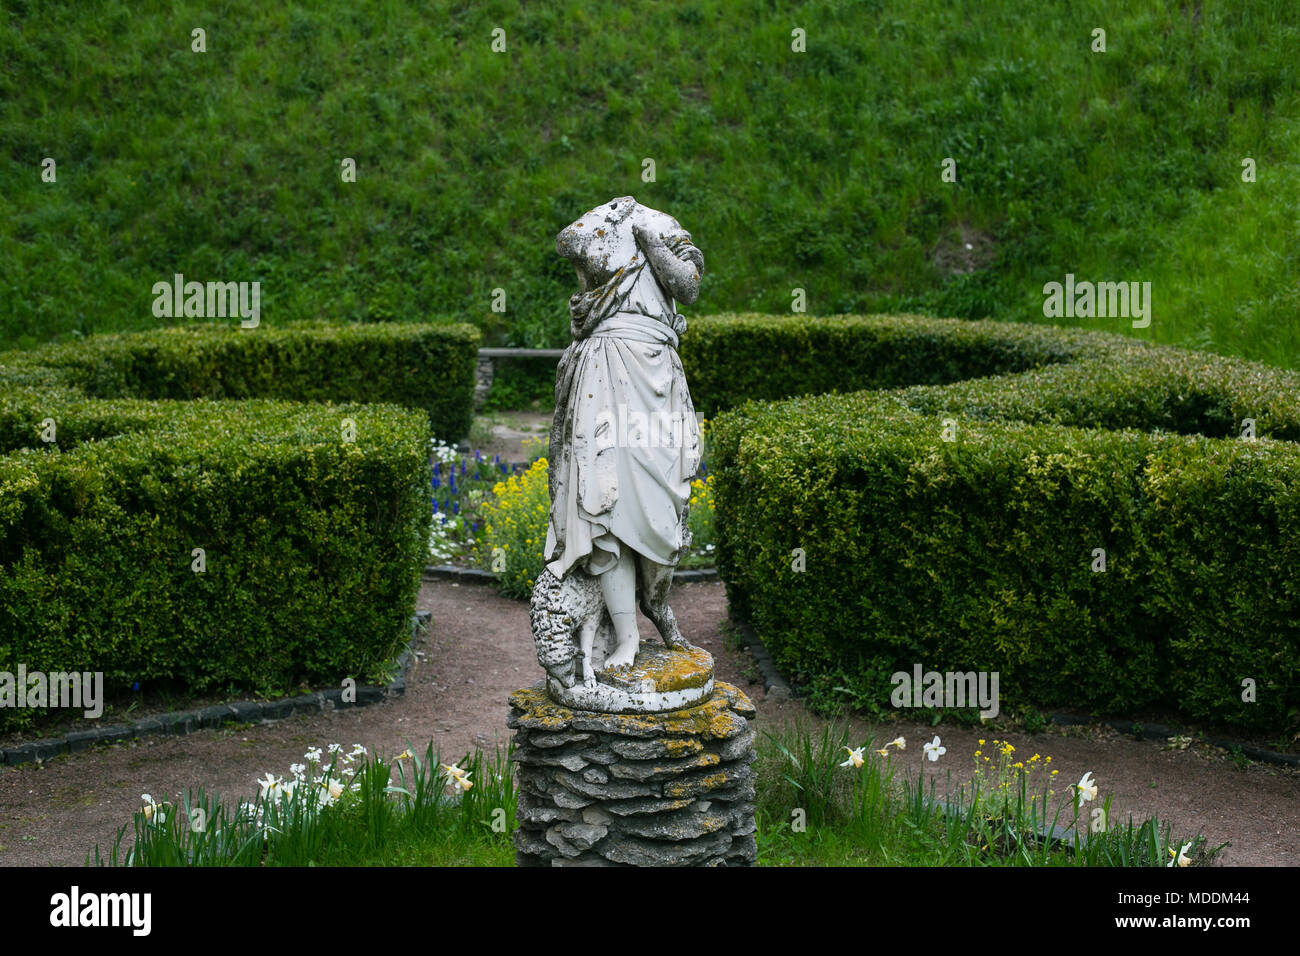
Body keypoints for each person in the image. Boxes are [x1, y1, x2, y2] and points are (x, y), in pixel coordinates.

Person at [544, 196, 703, 669]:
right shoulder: (591, 229)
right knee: (605, 507)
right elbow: (568, 244)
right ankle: (626, 635)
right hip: (603, 369)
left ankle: (656, 603)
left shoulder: (660, 226)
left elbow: (688, 287)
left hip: (655, 373)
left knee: (661, 503)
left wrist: (647, 235)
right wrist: (610, 221)